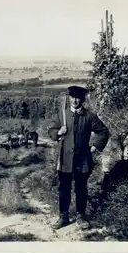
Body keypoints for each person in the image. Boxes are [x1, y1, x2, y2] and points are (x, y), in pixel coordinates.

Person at [47, 85, 110, 230]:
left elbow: (103, 132)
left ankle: (81, 216)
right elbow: (51, 130)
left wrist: (93, 148)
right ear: (69, 98)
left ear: (82, 100)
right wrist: (58, 133)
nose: (74, 101)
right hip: (65, 160)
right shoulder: (62, 115)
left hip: (83, 161)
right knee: (64, 188)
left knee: (81, 188)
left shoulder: (90, 117)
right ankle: (63, 217)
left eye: (78, 98)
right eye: (72, 98)